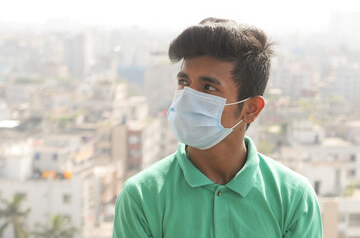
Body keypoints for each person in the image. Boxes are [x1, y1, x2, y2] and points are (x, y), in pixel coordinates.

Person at [112, 17, 323, 238]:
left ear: (251, 108)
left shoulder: (293, 198)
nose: (187, 98)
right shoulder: (142, 197)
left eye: (209, 87)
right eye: (184, 82)